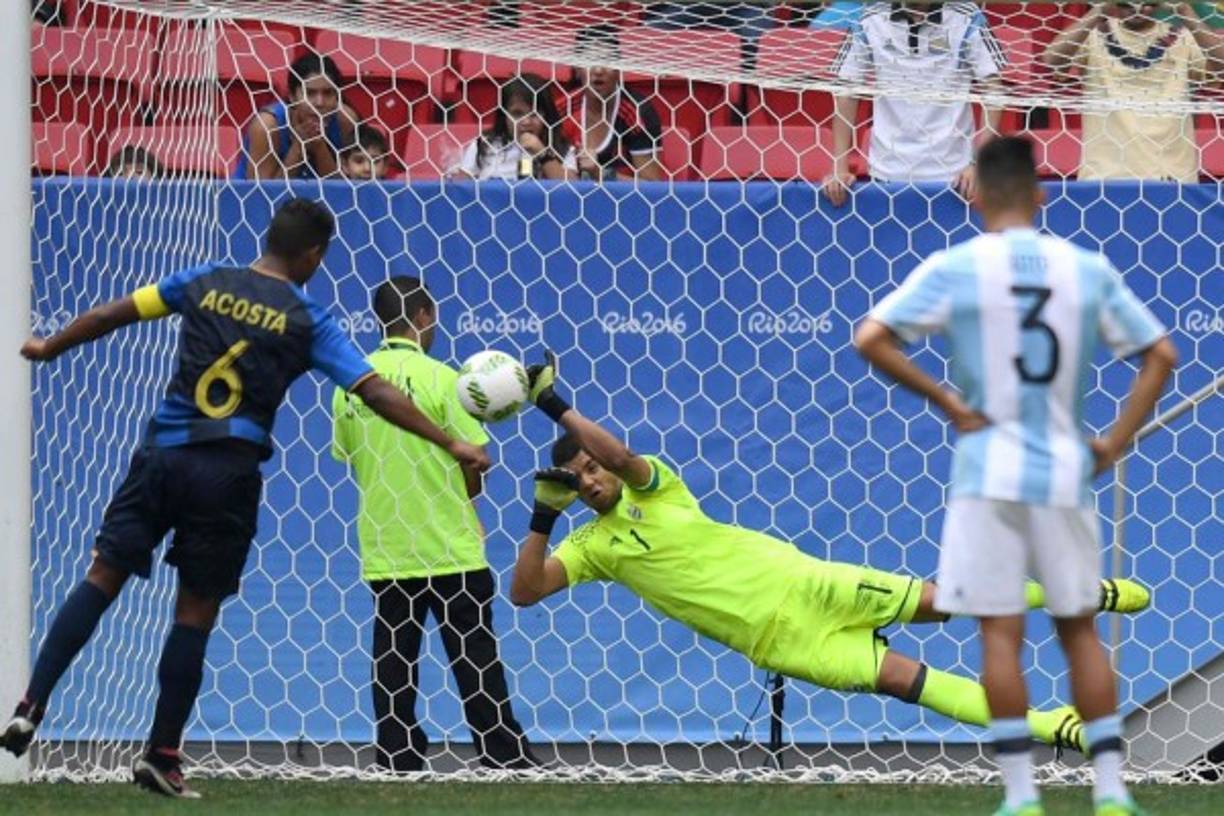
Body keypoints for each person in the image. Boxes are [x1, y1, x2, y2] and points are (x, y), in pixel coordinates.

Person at [0, 199, 490, 799]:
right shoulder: (307, 318)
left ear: (269, 238)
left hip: (161, 458)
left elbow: (110, 314)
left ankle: (32, 701)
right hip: (226, 473)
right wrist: (451, 443)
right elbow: (376, 392)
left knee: (103, 575)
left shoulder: (203, 282)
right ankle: (160, 753)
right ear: (314, 255)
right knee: (194, 612)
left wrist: (50, 347)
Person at [509, 355, 1153, 766]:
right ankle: (1049, 726)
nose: (591, 480)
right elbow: (526, 592)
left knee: (942, 604)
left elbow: (621, 457)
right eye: (577, 478)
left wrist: (552, 402)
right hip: (778, 642)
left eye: (590, 467)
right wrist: (544, 513)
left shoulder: (655, 484)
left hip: (807, 585)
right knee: (907, 681)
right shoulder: (590, 547)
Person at [855, 136, 1177, 816]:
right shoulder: (1081, 266)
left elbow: (869, 337)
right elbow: (1161, 354)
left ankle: (1022, 794)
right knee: (1080, 630)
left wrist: (945, 401)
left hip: (987, 469)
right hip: (1062, 466)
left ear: (975, 194)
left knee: (1001, 634)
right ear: (1040, 193)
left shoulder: (957, 264)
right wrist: (1114, 441)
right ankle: (1113, 791)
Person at [331, 277, 537, 773]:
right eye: (434, 316)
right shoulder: (445, 379)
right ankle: (502, 755)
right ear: (423, 315)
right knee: (475, 655)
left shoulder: (352, 385)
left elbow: (351, 459)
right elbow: (476, 461)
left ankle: (397, 756)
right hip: (449, 540)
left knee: (393, 658)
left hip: (388, 542)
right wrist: (464, 495)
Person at [823, 1, 1008, 206]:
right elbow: (845, 93)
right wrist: (839, 167)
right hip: (887, 171)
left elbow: (994, 92)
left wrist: (979, 164)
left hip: (956, 177)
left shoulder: (967, 17)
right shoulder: (870, 19)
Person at [1041, 2, 1224, 182]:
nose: (1137, 7)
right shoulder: (1094, 37)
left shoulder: (1183, 38)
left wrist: (1184, 9)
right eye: (1128, 3)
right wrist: (1099, 10)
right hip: (1104, 177)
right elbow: (1052, 61)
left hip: (1171, 175)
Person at [562, 24, 665, 181]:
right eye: (590, 60)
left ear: (618, 69)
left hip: (627, 203)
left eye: (606, 60)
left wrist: (601, 174)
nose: (598, 70)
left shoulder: (637, 114)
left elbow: (652, 189)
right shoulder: (563, 110)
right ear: (576, 69)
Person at [235, 52, 359, 180]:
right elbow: (262, 195)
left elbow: (344, 194)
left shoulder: (345, 121)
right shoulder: (267, 126)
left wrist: (319, 148)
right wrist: (298, 149)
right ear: (292, 96)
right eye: (309, 93)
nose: (319, 103)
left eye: (328, 93)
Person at [451, 74, 578, 181]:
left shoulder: (562, 148)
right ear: (504, 115)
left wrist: (542, 154)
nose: (526, 121)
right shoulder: (485, 144)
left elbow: (574, 190)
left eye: (534, 114)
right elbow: (462, 187)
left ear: (546, 115)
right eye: (517, 114)